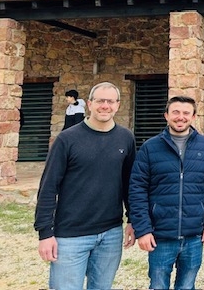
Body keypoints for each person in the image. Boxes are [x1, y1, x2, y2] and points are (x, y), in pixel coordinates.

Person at [34, 81, 136, 290]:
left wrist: (133, 220)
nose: (105, 106)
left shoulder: (125, 138)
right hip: (70, 235)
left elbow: (129, 184)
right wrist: (45, 233)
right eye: (100, 101)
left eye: (110, 101)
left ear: (118, 105)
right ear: (89, 104)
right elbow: (48, 187)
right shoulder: (67, 139)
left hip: (110, 233)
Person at [128, 95, 204, 290]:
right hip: (160, 235)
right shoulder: (149, 148)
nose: (181, 117)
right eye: (176, 112)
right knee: (158, 285)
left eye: (186, 113)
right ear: (166, 115)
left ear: (194, 116)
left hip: (194, 236)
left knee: (187, 286)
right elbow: (137, 190)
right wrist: (143, 230)